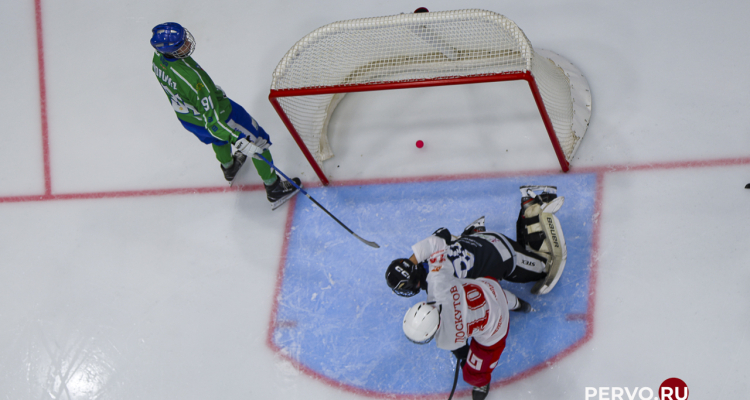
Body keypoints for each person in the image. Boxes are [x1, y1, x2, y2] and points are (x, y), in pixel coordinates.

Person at [149, 22, 300, 207]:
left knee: (217, 140)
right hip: (222, 116)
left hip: (190, 120)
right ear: (170, 50)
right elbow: (214, 123)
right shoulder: (194, 81)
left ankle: (229, 167)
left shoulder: (157, 60)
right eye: (182, 44)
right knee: (258, 141)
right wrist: (238, 139)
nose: (188, 43)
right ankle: (274, 187)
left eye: (185, 38)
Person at [386, 185, 567, 298]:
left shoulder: (439, 290)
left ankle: (534, 204)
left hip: (503, 254)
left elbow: (483, 298)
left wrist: (517, 305)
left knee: (545, 267)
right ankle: (473, 231)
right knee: (446, 241)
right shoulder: (426, 256)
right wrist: (411, 262)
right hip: (480, 240)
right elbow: (443, 233)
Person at [401, 264, 525, 400]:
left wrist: (465, 360)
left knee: (472, 373)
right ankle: (516, 303)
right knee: (487, 297)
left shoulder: (446, 340)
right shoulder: (436, 285)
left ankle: (481, 382)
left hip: (497, 325)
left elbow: (464, 352)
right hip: (489, 287)